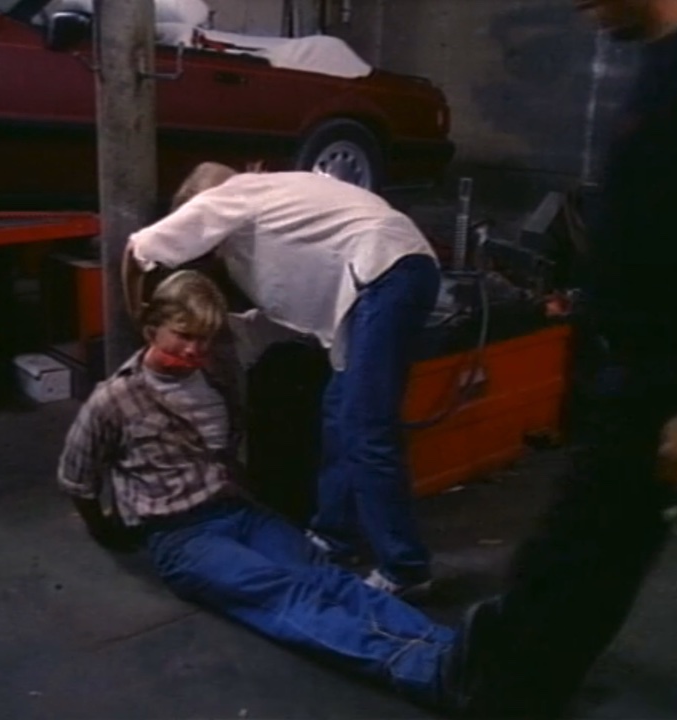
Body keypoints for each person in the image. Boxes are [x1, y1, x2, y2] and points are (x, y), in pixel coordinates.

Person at [465, 1, 677, 717]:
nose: (584, 5)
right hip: (645, 383)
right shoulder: (669, 59)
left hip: (663, 397)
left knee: (567, 585)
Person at [56, 270, 491, 713]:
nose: (194, 350)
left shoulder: (216, 371)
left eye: (204, 339)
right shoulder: (114, 400)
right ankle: (425, 672)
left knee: (327, 577)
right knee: (285, 594)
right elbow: (77, 477)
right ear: (152, 329)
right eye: (183, 336)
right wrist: (107, 530)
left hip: (239, 510)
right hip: (182, 536)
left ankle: (456, 650)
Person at [123, 165, 442, 596]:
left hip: (385, 272)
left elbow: (138, 249)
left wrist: (138, 319)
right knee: (339, 416)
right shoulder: (284, 196)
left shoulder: (234, 194)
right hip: (392, 273)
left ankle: (406, 568)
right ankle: (333, 537)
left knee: (366, 428)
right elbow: (284, 308)